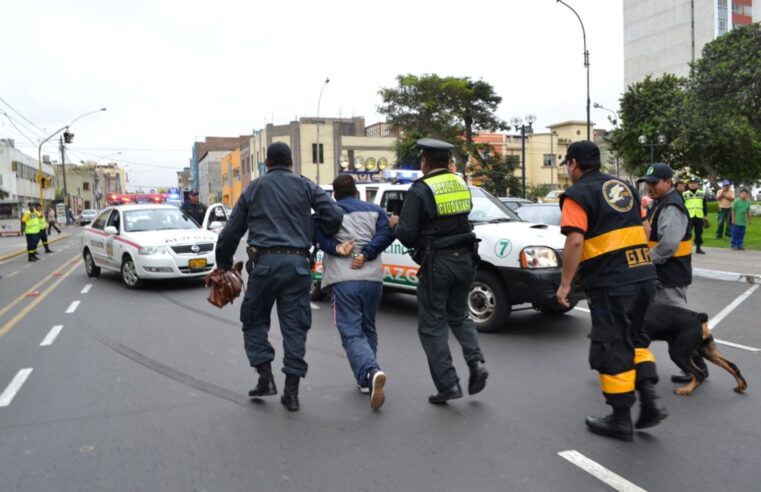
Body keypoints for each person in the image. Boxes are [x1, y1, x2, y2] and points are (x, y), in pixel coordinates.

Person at [214, 142, 342, 412]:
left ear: (267, 163)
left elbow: (230, 233)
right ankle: (292, 393)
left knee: (253, 320)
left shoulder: (254, 188)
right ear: (291, 162)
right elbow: (333, 214)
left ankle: (265, 377)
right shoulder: (305, 185)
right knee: (295, 327)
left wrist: (224, 265)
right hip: (297, 266)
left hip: (264, 265)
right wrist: (318, 231)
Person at [556, 141, 666, 441]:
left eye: (568, 164)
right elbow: (644, 231)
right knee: (636, 337)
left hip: (612, 283)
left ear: (574, 164)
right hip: (643, 274)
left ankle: (620, 419)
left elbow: (575, 241)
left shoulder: (577, 194)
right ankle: (650, 399)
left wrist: (566, 283)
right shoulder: (624, 187)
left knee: (612, 344)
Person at [388, 138, 488, 405]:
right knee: (459, 315)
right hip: (466, 259)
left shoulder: (420, 190)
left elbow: (408, 236)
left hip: (438, 264)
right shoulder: (461, 183)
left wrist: (396, 223)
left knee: (432, 326)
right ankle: (476, 361)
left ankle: (448, 384)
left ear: (425, 162)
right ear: (447, 162)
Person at [313, 174, 395, 410]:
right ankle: (366, 381)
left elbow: (315, 234)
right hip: (372, 280)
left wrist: (337, 248)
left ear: (335, 195)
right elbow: (386, 234)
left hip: (343, 279)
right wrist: (366, 253)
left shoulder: (329, 213)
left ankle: (371, 370)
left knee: (350, 331)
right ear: (357, 191)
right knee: (367, 326)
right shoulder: (376, 211)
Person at [638, 163, 691, 308]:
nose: (650, 186)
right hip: (662, 276)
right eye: (648, 183)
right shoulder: (660, 202)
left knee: (671, 323)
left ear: (668, 182)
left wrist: (643, 260)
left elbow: (668, 245)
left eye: (654, 183)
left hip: (670, 278)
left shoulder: (671, 207)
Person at [683, 177, 708, 254]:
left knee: (699, 233)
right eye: (691, 183)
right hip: (689, 216)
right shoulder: (684, 194)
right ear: (688, 184)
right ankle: (687, 248)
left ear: (697, 184)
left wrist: (705, 215)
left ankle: (698, 248)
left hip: (699, 216)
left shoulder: (702, 193)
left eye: (695, 183)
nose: (693, 185)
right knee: (688, 233)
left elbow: (704, 205)